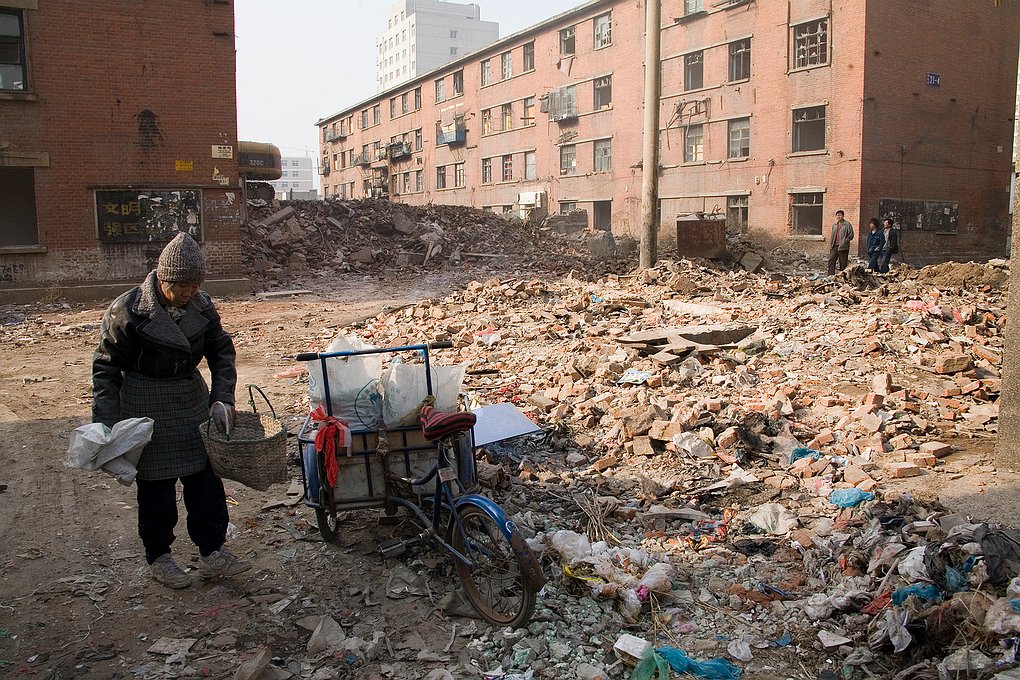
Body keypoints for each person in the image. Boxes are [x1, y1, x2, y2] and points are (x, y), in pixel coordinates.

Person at [92, 232, 251, 589]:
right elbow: (106, 368)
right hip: (146, 401)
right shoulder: (129, 310)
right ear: (163, 279)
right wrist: (105, 423)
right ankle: (159, 557)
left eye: (194, 286)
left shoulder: (203, 307)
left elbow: (221, 354)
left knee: (205, 482)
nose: (187, 293)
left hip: (191, 399)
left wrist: (222, 398)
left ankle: (213, 550)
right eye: (180, 286)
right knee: (156, 487)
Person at [827, 210, 855, 275]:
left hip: (843, 247)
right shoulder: (835, 226)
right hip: (834, 246)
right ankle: (830, 275)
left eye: (840, 215)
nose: (838, 217)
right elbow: (832, 236)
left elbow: (851, 235)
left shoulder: (847, 224)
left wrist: (845, 241)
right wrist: (831, 245)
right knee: (831, 260)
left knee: (843, 263)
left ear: (843, 216)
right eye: (837, 215)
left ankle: (842, 276)